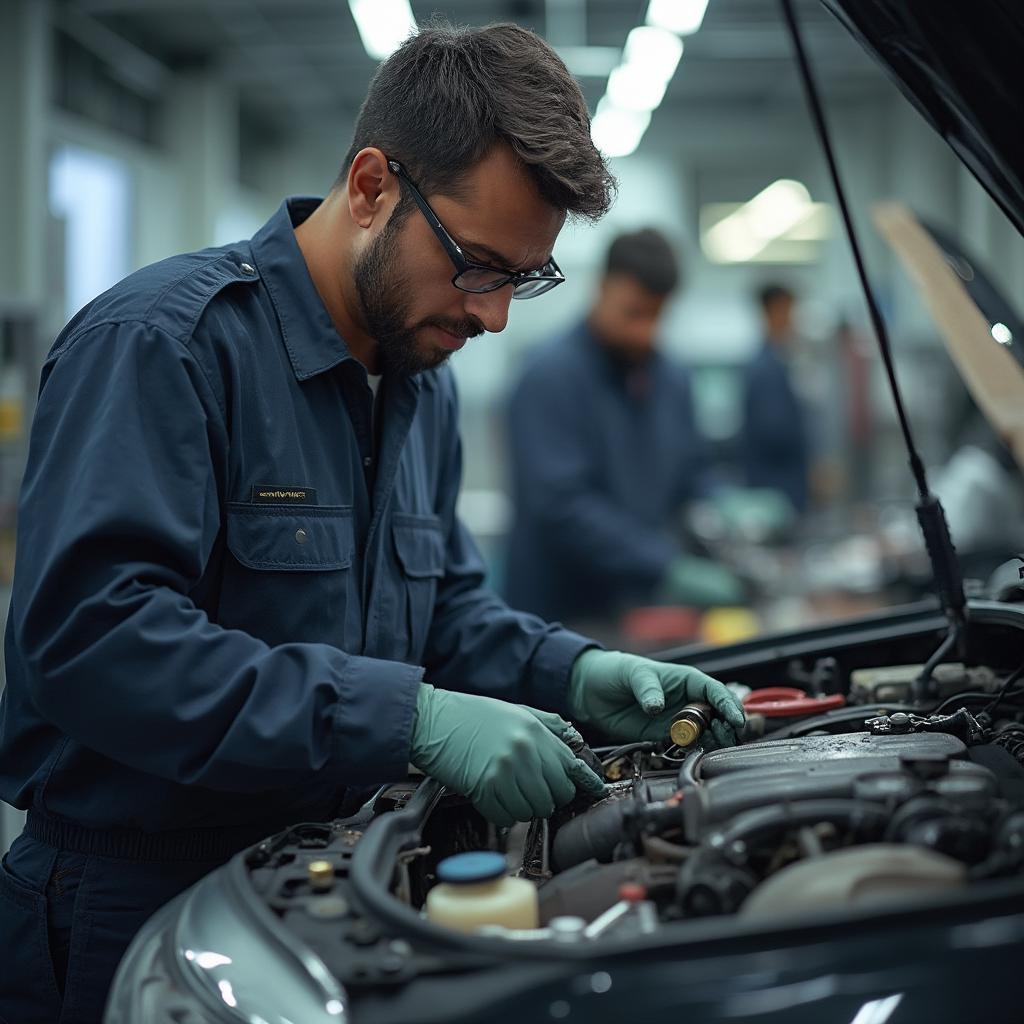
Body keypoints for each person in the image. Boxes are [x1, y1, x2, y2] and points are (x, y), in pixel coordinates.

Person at [0, 23, 744, 1024]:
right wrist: (411, 719)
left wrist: (567, 669)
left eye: (523, 278)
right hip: (128, 903)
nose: (493, 319)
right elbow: (93, 643)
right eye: (480, 265)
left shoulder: (417, 380)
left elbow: (441, 607)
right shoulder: (163, 347)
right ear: (368, 187)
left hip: (327, 879)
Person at [504, 228, 742, 628]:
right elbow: (562, 508)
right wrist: (666, 566)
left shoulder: (671, 379)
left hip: (640, 611)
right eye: (633, 313)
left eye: (657, 315)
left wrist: (722, 504)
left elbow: (692, 469)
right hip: (558, 618)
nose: (645, 330)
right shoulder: (548, 378)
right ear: (601, 287)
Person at [739, 283, 812, 514]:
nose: (793, 321)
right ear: (774, 311)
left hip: (779, 486)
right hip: (777, 489)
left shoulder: (775, 363)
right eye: (789, 311)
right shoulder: (766, 368)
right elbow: (775, 432)